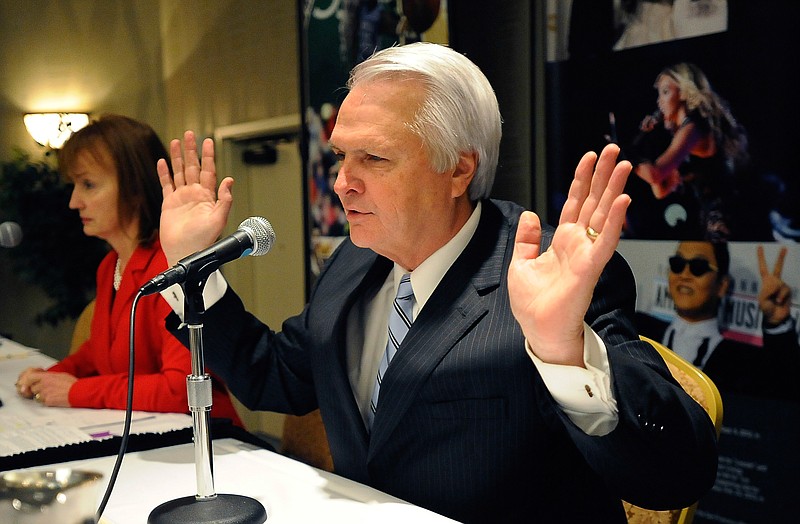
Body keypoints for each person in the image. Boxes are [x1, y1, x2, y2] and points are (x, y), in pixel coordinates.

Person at [156, 42, 717, 522]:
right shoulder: (356, 262)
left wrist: (562, 351)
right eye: (340, 156)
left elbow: (676, 475)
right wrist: (192, 264)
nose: (342, 184)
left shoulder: (548, 272)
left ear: (459, 170)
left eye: (374, 158)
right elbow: (274, 377)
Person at [14, 114, 242, 425]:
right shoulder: (111, 265)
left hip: (206, 443)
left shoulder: (171, 265)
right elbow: (103, 352)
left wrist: (78, 391)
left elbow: (180, 388)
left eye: (88, 185)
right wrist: (54, 376)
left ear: (135, 189)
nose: (74, 202)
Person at [636, 240, 799, 400]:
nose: (684, 275)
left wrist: (777, 322)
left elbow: (784, 387)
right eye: (677, 264)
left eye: (698, 267)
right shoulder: (637, 330)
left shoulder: (742, 361)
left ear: (722, 285)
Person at [627, 62, 748, 240]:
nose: (659, 101)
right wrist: (647, 140)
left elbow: (655, 175)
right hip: (707, 216)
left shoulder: (694, 127)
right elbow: (660, 190)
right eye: (659, 93)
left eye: (666, 92)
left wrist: (623, 151)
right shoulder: (683, 132)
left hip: (723, 218)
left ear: (683, 92)